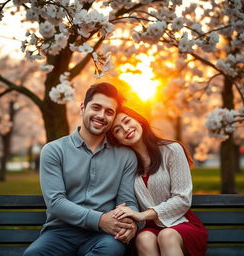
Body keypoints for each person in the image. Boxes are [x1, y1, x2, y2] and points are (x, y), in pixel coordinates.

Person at [23, 83, 139, 256]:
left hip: (103, 236)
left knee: (110, 251)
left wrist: (131, 225)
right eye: (96, 107)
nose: (101, 115)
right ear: (83, 108)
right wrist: (99, 220)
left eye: (109, 112)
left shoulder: (126, 156)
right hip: (60, 233)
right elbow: (55, 203)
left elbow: (127, 202)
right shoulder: (54, 150)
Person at [108, 106, 208, 256]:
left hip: (180, 223)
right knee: (143, 238)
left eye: (127, 121)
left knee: (166, 235)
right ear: (116, 139)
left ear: (139, 121)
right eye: (117, 130)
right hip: (148, 228)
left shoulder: (172, 150)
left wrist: (144, 215)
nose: (126, 129)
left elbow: (182, 199)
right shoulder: (126, 165)